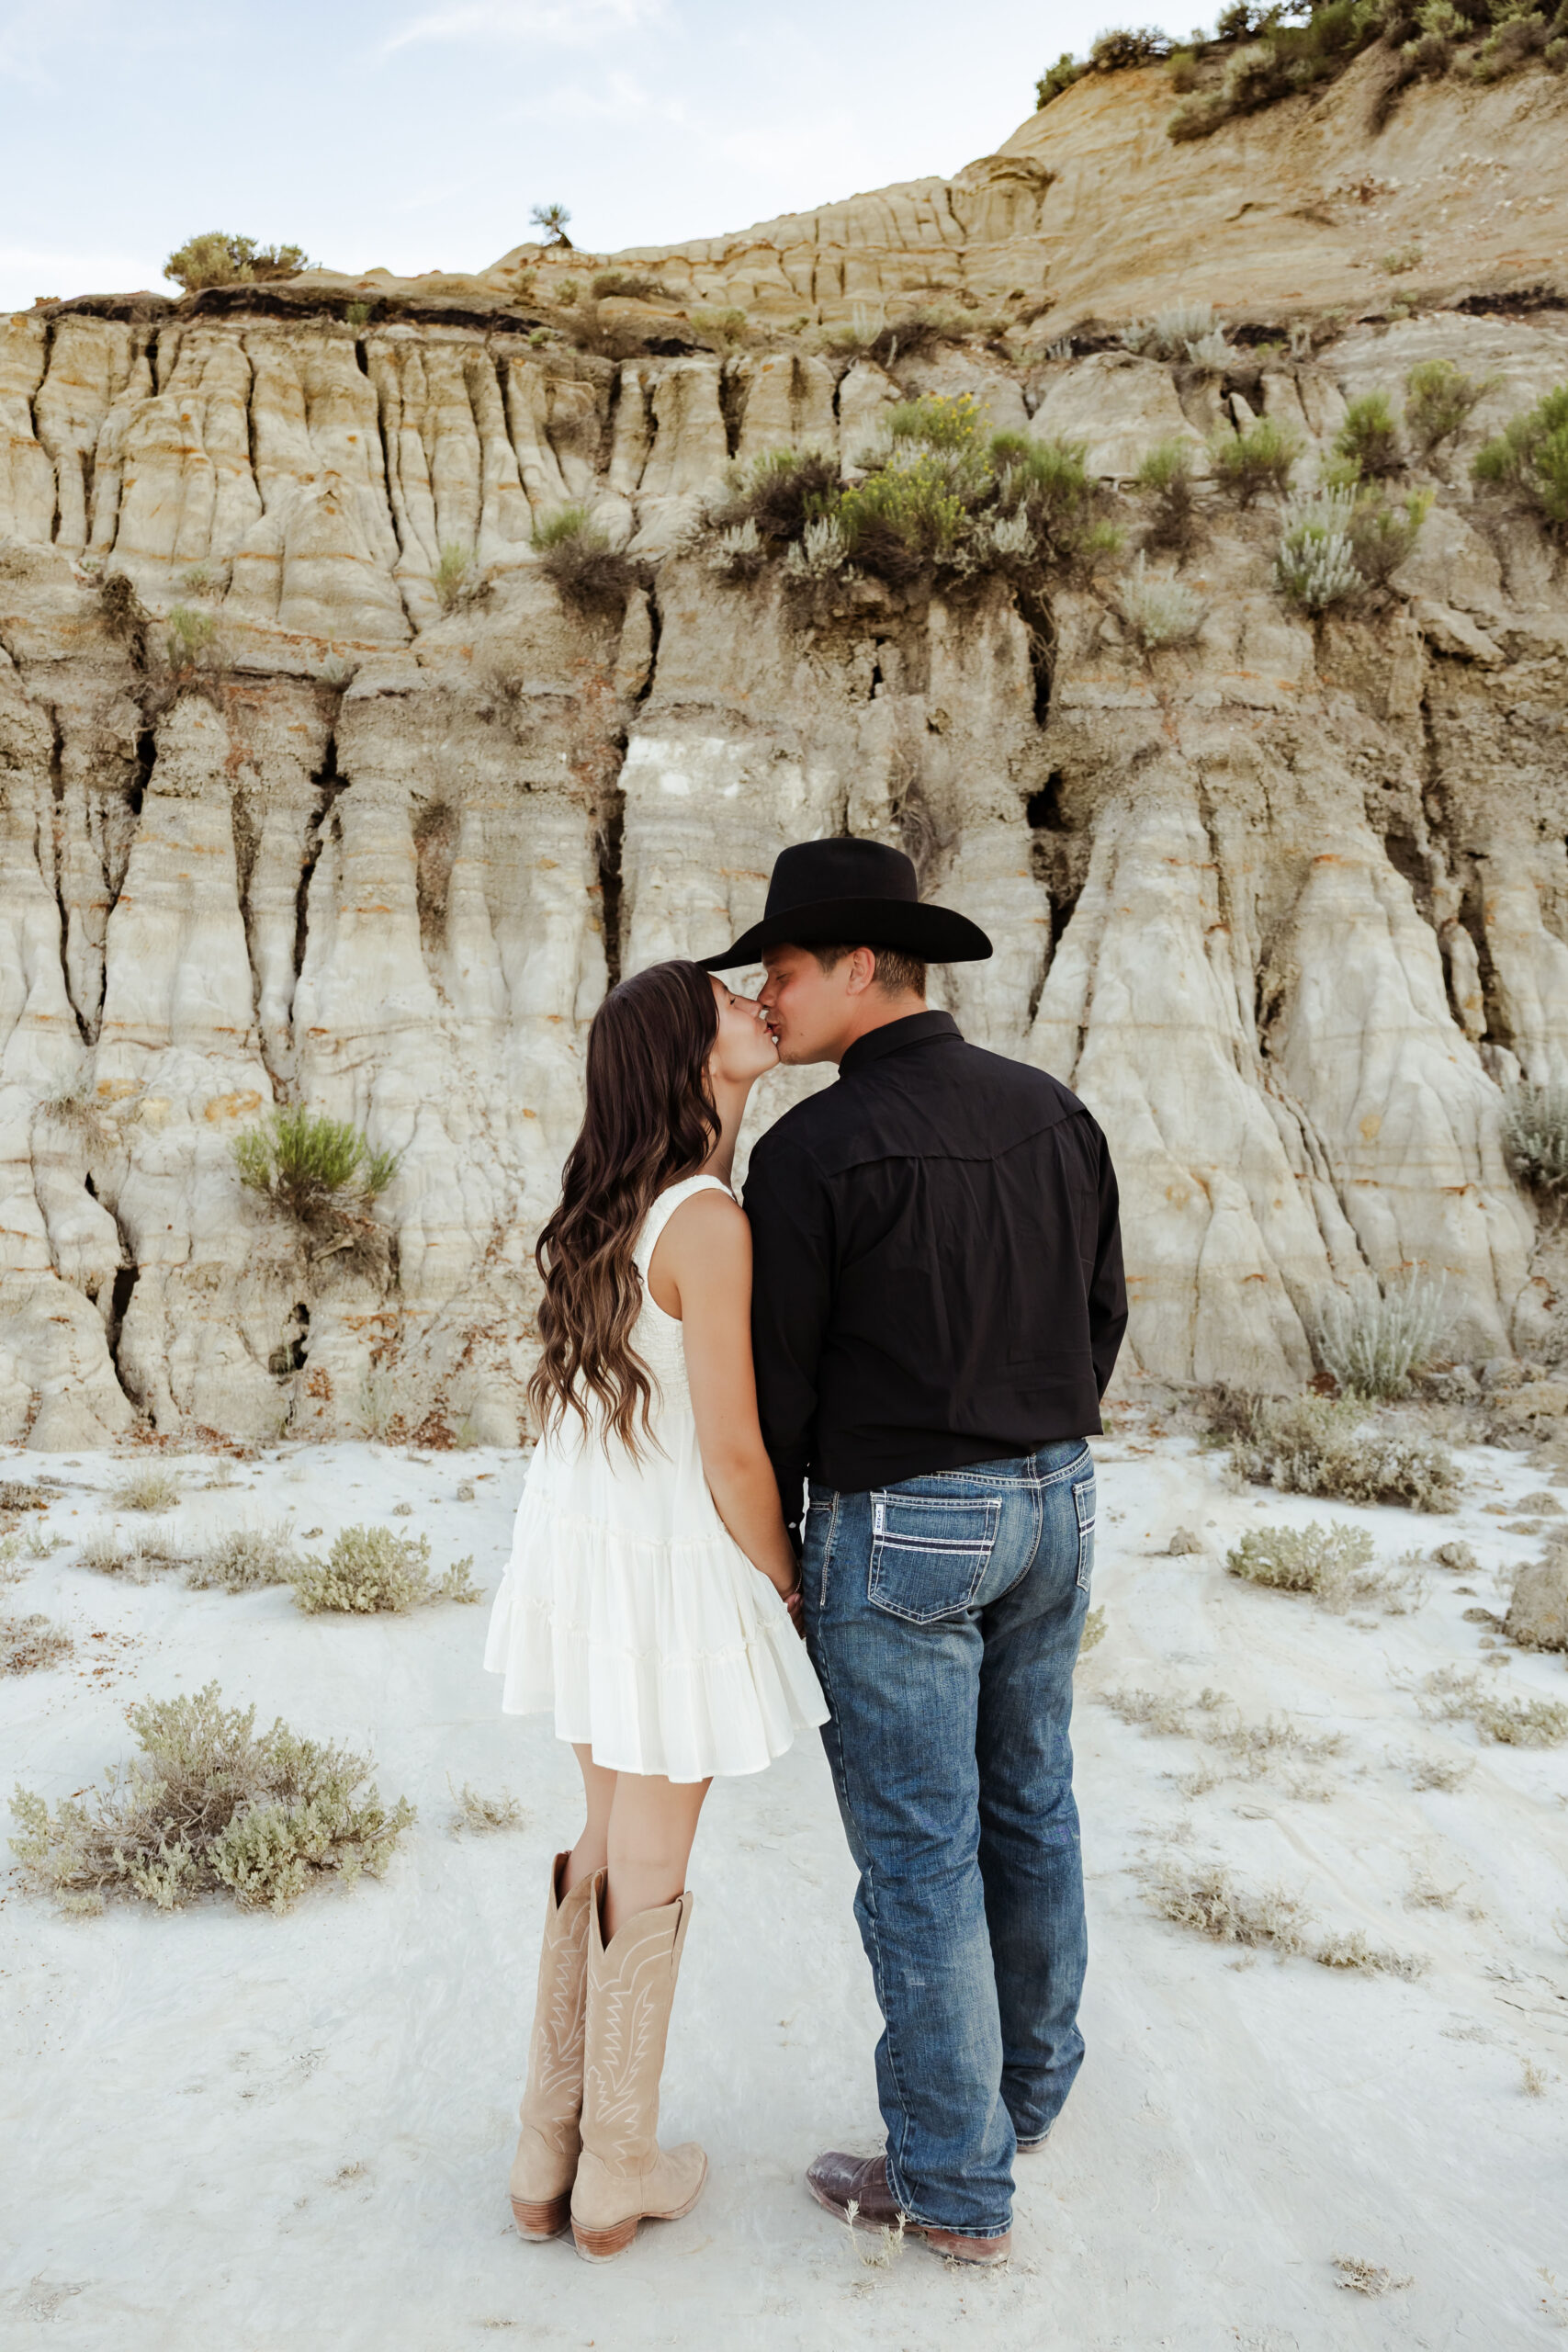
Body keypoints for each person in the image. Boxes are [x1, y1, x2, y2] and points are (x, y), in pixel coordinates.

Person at [701, 836, 1127, 2267]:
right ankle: (1022, 2096)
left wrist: (803, 1546)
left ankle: (952, 2183)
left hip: (903, 1520)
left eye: (787, 972)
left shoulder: (813, 1148)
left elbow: (780, 1386)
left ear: (864, 967)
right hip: (1059, 1495)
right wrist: (1032, 1446)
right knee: (1034, 1802)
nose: (772, 999)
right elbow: (1102, 1311)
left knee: (923, 1858)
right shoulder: (1054, 1109)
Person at [484, 959, 827, 2264]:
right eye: (730, 1003)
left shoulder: (605, 1205)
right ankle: (618, 2176)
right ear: (691, 1055)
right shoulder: (707, 1223)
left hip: (582, 1561)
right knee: (656, 1864)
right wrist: (785, 1578)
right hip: (667, 1570)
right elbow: (735, 1453)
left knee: (600, 1838)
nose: (757, 1005)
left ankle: (544, 2155)